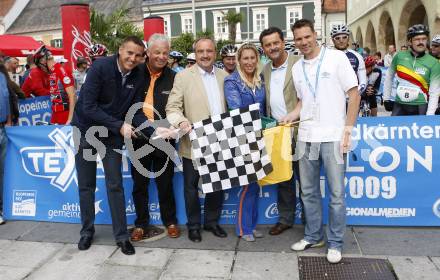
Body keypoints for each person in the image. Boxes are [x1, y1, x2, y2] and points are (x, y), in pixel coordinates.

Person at [283, 19, 360, 264]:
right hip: (306, 138)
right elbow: (303, 102)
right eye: (298, 39)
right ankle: (313, 235)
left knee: (336, 194)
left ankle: (335, 243)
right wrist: (291, 116)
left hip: (334, 137)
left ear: (315, 35)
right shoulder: (296, 68)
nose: (303, 42)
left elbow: (354, 94)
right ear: (294, 41)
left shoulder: (336, 59)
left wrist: (348, 130)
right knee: (308, 192)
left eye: (307, 37)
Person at [71, 36, 152, 255]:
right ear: (120, 50)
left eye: (138, 55)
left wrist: (154, 131)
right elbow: (88, 106)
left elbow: (135, 109)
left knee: (115, 184)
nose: (133, 58)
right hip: (86, 130)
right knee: (86, 185)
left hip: (112, 134)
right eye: (129, 53)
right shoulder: (100, 67)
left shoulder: (141, 72)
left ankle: (122, 237)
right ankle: (86, 232)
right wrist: (119, 125)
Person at [166, 37, 228, 243]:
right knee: (191, 187)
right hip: (192, 142)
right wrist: (181, 122)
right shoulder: (183, 77)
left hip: (220, 141)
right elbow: (172, 107)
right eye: (200, 51)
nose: (205, 55)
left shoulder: (225, 76)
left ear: (215, 53)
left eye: (209, 51)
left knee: (217, 184)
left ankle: (211, 222)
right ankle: (193, 226)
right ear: (195, 53)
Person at [129, 33, 181, 241]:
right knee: (139, 185)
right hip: (138, 137)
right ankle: (141, 224)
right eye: (157, 52)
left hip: (164, 138)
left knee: (165, 183)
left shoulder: (174, 76)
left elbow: (177, 107)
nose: (161, 56)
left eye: (165, 53)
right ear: (148, 52)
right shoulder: (135, 73)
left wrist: (175, 127)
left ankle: (170, 221)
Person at [259, 26, 301, 236]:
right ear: (264, 49)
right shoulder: (264, 70)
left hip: (301, 131)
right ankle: (286, 219)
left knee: (307, 180)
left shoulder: (299, 64)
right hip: (277, 134)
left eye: (276, 42)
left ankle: (313, 225)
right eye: (268, 45)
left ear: (283, 42)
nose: (273, 47)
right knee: (284, 179)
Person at [224, 43, 265, 242]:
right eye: (245, 58)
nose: (249, 62)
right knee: (249, 185)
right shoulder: (232, 81)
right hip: (243, 137)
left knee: (256, 184)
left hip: (261, 136)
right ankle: (243, 228)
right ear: (239, 60)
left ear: (257, 59)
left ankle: (252, 225)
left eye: (252, 58)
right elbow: (235, 110)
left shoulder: (260, 79)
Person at [383, 24, 440, 115]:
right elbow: (389, 76)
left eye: (424, 39)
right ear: (409, 42)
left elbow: (434, 91)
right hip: (399, 104)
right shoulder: (399, 56)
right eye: (417, 39)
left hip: (421, 105)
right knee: (396, 129)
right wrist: (386, 98)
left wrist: (430, 115)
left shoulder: (434, 63)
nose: (421, 42)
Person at [23, 46, 76, 124]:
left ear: (43, 61)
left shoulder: (61, 70)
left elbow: (72, 95)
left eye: (39, 65)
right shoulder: (51, 72)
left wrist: (70, 119)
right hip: (55, 112)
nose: (41, 68)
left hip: (65, 113)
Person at [0, 64, 20, 225]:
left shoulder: (2, 77)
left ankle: (2, 206)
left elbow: (6, 99)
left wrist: (8, 121)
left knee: (3, 170)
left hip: (3, 129)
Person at [331, 24, 367, 94]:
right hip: (333, 99)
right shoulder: (327, 56)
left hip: (352, 98)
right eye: (337, 38)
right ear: (333, 40)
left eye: (344, 37)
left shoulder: (357, 56)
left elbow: (363, 82)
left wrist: (353, 95)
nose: (341, 41)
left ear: (348, 38)